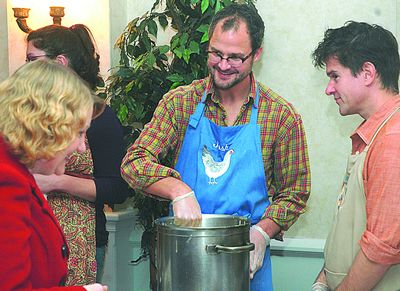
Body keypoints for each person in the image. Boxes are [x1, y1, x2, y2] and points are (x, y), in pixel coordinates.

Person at [121, 3, 311, 290]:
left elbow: (295, 193)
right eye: (216, 53)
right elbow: (133, 162)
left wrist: (262, 232)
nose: (222, 65)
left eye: (235, 57)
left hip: (245, 259)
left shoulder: (281, 117)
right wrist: (179, 191)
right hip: (183, 257)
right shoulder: (180, 104)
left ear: (256, 54)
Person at [26, 24, 131, 284]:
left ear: (60, 62)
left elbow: (118, 188)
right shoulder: (27, 113)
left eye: (32, 60)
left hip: (81, 241)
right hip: (29, 234)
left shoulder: (97, 116)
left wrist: (54, 183)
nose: (26, 68)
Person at [0, 59, 107, 290]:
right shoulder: (7, 180)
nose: (82, 147)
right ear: (47, 125)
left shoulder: (17, 172)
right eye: (79, 133)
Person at [311, 21, 400, 291]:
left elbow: (380, 249)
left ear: (367, 73)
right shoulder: (372, 134)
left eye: (335, 76)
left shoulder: (392, 140)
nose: (329, 88)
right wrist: (322, 281)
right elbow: (350, 227)